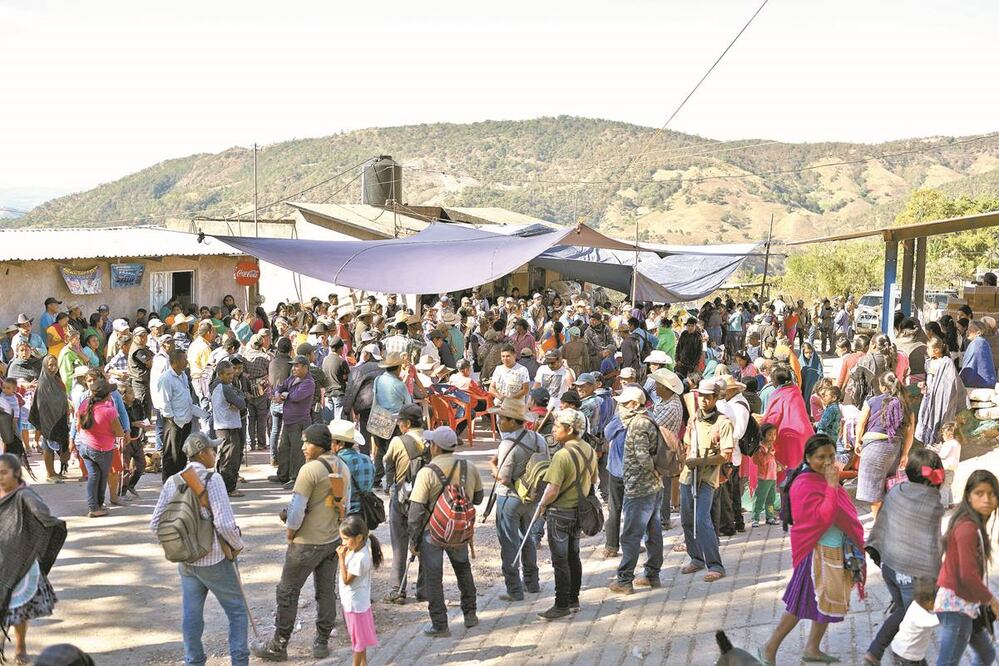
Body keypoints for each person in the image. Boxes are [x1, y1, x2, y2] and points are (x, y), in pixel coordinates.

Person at [759, 434, 865, 665]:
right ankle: (769, 647)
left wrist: (831, 485)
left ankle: (812, 648)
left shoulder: (824, 478)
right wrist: (830, 486)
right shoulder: (804, 484)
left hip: (835, 550)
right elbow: (823, 518)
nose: (827, 462)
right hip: (814, 554)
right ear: (808, 457)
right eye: (820, 457)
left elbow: (843, 509)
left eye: (831, 456)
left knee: (826, 601)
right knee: (799, 604)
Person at [253, 423, 352, 661]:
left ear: (320, 445)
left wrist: (290, 532)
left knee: (287, 591)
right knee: (326, 591)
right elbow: (346, 505)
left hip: (307, 542)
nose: (304, 447)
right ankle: (321, 641)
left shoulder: (310, 470)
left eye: (308, 443)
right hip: (331, 539)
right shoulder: (342, 466)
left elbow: (296, 510)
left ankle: (279, 645)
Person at [150, 433, 248, 666]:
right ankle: (240, 661)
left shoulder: (173, 481)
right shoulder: (213, 481)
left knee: (191, 614)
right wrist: (237, 545)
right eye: (212, 451)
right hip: (214, 559)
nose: (214, 455)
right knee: (237, 611)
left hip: (187, 561)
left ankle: (193, 661)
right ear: (202, 453)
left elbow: (155, 524)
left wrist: (184, 544)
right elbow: (224, 524)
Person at [863, 448, 945, 665]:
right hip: (910, 572)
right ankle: (885, 652)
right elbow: (932, 544)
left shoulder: (897, 491)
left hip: (889, 564)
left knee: (904, 611)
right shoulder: (933, 501)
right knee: (911, 613)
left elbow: (882, 526)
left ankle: (882, 654)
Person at [406, 426, 483, 637]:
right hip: (459, 530)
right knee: (463, 569)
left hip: (433, 533)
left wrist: (413, 540)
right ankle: (470, 614)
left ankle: (440, 625)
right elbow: (478, 499)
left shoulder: (427, 472)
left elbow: (416, 510)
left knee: (434, 578)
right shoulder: (469, 466)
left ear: (436, 447)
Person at [0, 453, 65, 666]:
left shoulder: (25, 496)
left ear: (16, 473)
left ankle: (20, 648)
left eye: (4, 473)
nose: (0, 478)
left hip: (20, 562)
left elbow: (45, 518)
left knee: (18, 610)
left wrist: (49, 532)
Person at [536, 408, 597, 620]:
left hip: (559, 513)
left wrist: (542, 505)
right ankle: (574, 598)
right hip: (578, 513)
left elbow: (552, 489)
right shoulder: (589, 449)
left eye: (557, 426)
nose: (553, 430)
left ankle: (561, 603)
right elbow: (594, 481)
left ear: (570, 429)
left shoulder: (561, 455)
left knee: (560, 560)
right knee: (574, 556)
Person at [933, 470, 999, 666]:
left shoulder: (972, 524)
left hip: (967, 603)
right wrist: (992, 601)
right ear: (969, 496)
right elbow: (968, 576)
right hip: (956, 605)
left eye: (992, 493)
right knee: (948, 662)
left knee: (986, 655)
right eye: (980, 493)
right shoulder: (967, 528)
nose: (987, 499)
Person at [487, 398, 548, 602]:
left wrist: (492, 467)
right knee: (527, 538)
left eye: (502, 418)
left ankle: (514, 589)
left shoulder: (507, 443)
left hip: (510, 497)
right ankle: (532, 582)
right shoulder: (539, 439)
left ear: (513, 421)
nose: (498, 421)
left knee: (509, 542)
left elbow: (503, 478)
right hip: (531, 496)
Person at [608, 385, 664, 594]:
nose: (619, 407)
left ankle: (624, 580)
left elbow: (642, 456)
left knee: (631, 534)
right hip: (653, 486)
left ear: (633, 405)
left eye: (623, 403)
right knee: (653, 531)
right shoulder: (647, 418)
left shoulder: (639, 424)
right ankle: (652, 574)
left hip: (640, 487)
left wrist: (652, 471)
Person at [679, 379, 733, 583]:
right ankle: (696, 558)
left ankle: (715, 565)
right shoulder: (693, 420)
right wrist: (687, 459)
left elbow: (725, 455)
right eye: (701, 396)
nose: (703, 400)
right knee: (686, 520)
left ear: (715, 398)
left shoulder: (723, 423)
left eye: (708, 397)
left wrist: (701, 461)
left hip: (707, 478)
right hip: (687, 476)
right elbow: (686, 445)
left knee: (702, 520)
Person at [381, 404, 426, 604]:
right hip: (425, 500)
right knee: (425, 543)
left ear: (407, 423)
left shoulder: (398, 442)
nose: (398, 424)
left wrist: (389, 484)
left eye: (399, 421)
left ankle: (397, 589)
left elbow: (386, 462)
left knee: (399, 544)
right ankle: (425, 589)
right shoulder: (432, 440)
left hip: (402, 497)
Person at [856, 371, 914, 520]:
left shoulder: (872, 401)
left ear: (882, 387)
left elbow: (861, 423)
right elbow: (909, 433)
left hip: (873, 446)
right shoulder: (905, 405)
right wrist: (905, 454)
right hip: (894, 447)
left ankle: (877, 522)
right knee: (888, 484)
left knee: (874, 487)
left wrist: (857, 441)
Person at [75, 377, 125, 518]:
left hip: (84, 446)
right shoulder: (109, 411)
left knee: (93, 476)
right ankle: (98, 505)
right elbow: (119, 432)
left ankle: (93, 506)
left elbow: (78, 423)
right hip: (102, 450)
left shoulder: (85, 404)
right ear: (107, 395)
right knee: (102, 477)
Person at [337, 515, 382, 666]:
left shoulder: (361, 558)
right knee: (359, 639)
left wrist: (341, 559)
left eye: (345, 539)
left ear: (359, 537)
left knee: (358, 642)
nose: (343, 543)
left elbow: (346, 580)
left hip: (355, 606)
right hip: (356, 603)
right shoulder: (360, 548)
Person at [155, 350, 204, 482]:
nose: (186, 362)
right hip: (174, 423)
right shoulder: (166, 378)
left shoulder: (183, 376)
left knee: (182, 454)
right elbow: (164, 403)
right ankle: (169, 483)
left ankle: (181, 479)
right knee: (171, 455)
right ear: (175, 362)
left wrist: (203, 414)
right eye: (184, 359)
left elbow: (187, 400)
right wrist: (173, 420)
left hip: (186, 420)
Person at [269, 355, 316, 486]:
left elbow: (296, 397)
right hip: (288, 420)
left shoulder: (308, 383)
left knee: (297, 451)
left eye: (297, 366)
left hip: (300, 421)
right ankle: (282, 475)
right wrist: (278, 393)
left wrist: (283, 395)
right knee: (284, 448)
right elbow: (280, 386)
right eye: (293, 365)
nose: (294, 368)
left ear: (305, 368)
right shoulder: (292, 379)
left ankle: (295, 478)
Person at [761, 365, 813, 483]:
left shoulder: (778, 395)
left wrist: (762, 427)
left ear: (775, 381)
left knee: (786, 471)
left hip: (788, 436)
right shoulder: (795, 391)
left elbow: (773, 418)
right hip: (804, 434)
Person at [27, 355, 70, 483]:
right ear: (45, 366)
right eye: (50, 365)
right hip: (47, 420)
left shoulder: (57, 380)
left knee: (57, 444)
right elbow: (41, 404)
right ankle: (49, 473)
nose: (52, 368)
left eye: (54, 365)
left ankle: (54, 472)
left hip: (59, 417)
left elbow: (63, 396)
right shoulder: (43, 383)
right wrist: (47, 419)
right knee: (47, 446)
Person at [211, 360, 246, 497]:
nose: (232, 376)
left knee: (224, 457)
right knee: (230, 459)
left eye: (232, 373)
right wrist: (238, 400)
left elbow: (241, 395)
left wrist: (238, 398)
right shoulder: (224, 387)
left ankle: (222, 486)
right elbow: (242, 403)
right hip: (227, 426)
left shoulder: (221, 385)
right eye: (228, 374)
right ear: (220, 374)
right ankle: (228, 488)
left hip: (223, 426)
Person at [888, 579, 939, 666]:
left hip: (912, 653)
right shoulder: (919, 614)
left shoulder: (917, 604)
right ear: (929, 601)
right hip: (906, 655)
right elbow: (936, 621)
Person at [751, 424, 780, 526]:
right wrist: (769, 451)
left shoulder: (770, 447)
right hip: (764, 478)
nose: (772, 437)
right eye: (769, 435)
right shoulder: (761, 448)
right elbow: (763, 461)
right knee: (760, 498)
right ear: (763, 435)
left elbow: (772, 459)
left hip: (772, 478)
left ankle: (770, 516)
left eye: (774, 435)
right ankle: (755, 518)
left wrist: (779, 465)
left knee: (771, 499)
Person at [930, 421, 962, 507]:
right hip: (951, 470)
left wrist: (935, 450)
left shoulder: (949, 444)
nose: (943, 436)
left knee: (943, 488)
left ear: (950, 435)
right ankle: (950, 503)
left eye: (944, 435)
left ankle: (943, 506)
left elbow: (942, 455)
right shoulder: (957, 443)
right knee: (948, 487)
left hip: (945, 469)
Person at [959, 320, 997, 388]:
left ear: (978, 332)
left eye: (970, 330)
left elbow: (970, 365)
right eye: (967, 329)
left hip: (979, 384)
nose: (967, 332)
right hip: (984, 382)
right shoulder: (981, 342)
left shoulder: (978, 343)